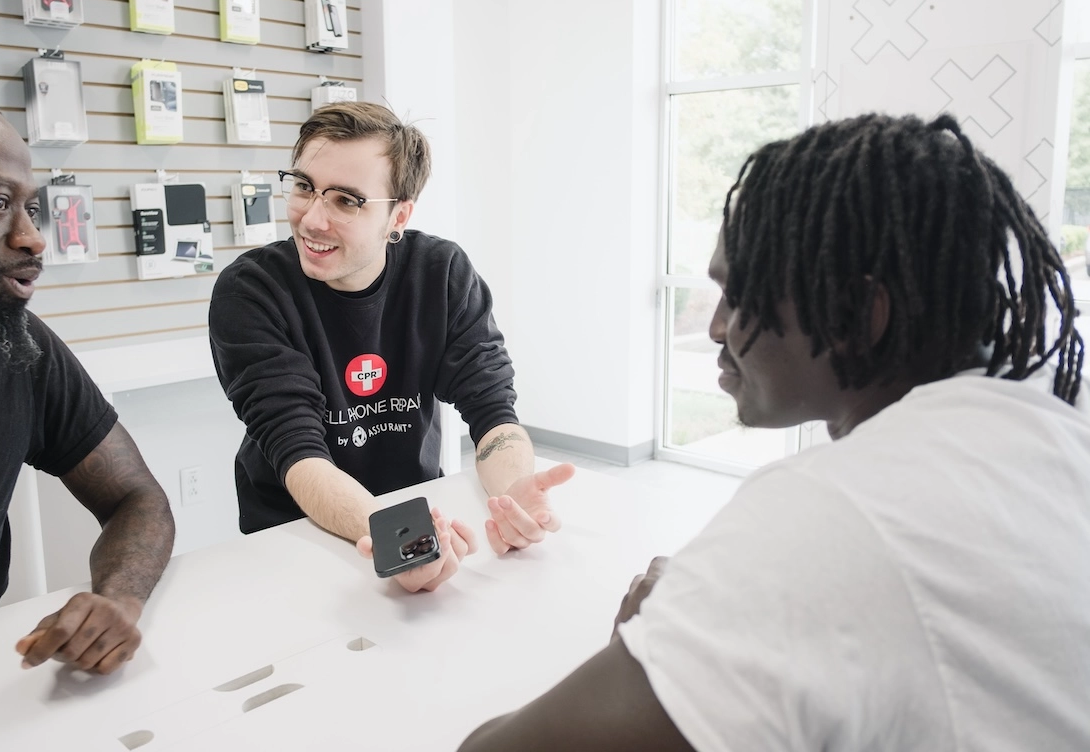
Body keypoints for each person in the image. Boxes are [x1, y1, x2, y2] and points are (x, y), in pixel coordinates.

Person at [459, 113, 1090, 750]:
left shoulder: (831, 514)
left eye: (738, 295)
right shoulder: (1055, 427)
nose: (715, 328)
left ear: (860, 312)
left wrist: (683, 633)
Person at [209, 101, 573, 592]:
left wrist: (512, 497)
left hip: (419, 512)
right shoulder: (251, 291)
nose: (312, 219)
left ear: (398, 214)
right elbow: (298, 450)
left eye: (346, 200)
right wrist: (400, 537)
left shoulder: (439, 272)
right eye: (303, 187)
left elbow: (492, 411)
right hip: (293, 538)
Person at [0, 67, 175, 675]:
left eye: (31, 208)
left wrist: (118, 599)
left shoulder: (17, 350)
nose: (32, 238)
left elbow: (135, 497)